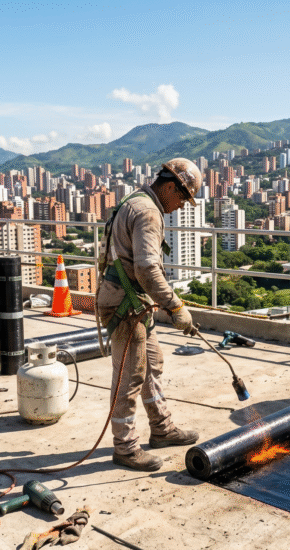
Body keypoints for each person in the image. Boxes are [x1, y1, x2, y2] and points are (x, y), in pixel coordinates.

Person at [96, 158, 202, 471]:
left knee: (152, 365)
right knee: (129, 379)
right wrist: (175, 306)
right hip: (124, 305)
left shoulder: (137, 200)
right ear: (170, 186)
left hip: (133, 303)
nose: (181, 206)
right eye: (182, 198)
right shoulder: (148, 211)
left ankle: (162, 428)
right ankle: (126, 449)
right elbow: (146, 268)